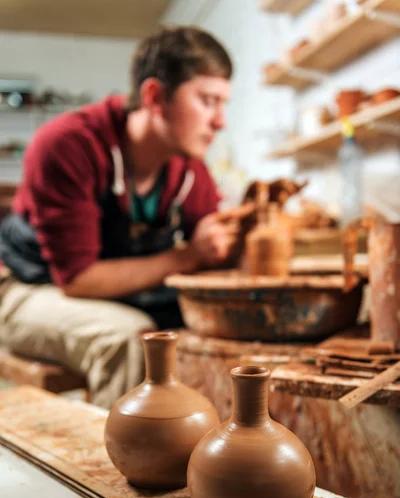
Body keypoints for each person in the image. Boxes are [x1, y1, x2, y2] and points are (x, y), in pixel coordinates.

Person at [0, 26, 245, 409]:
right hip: (23, 288)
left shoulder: (188, 169)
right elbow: (78, 280)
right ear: (154, 96)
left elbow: (214, 253)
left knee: (207, 328)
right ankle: (115, 464)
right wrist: (187, 255)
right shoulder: (67, 145)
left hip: (115, 291)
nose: (220, 121)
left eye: (223, 103)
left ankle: (196, 451)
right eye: (207, 101)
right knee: (129, 338)